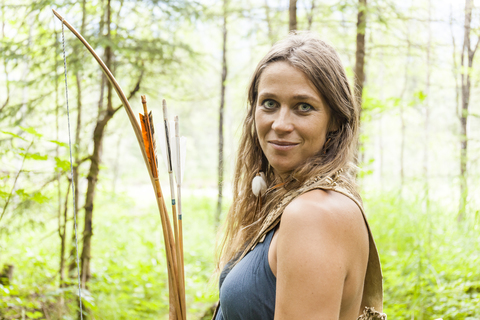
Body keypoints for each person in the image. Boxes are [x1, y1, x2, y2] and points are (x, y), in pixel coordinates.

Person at [213, 32, 385, 320]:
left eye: (303, 107)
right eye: (269, 103)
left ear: (334, 120)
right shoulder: (291, 197)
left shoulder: (313, 214)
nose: (280, 124)